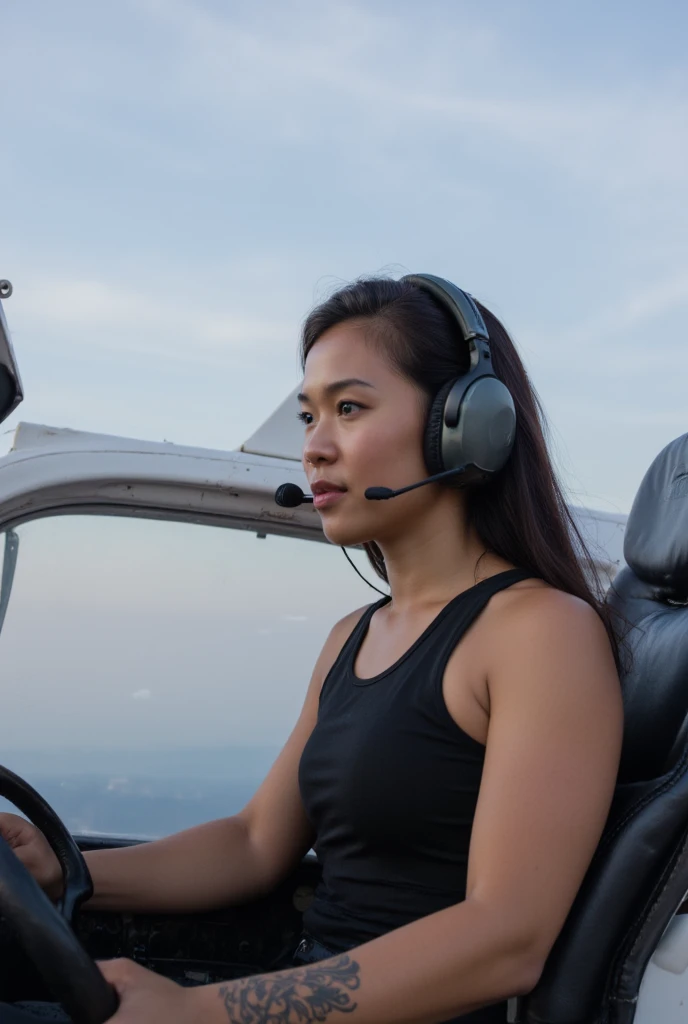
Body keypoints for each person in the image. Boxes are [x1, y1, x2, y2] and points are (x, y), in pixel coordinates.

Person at [0, 275, 623, 1024]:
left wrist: (207, 1014)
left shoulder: (539, 633)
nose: (315, 448)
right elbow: (254, 843)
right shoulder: (353, 637)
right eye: (309, 416)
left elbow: (505, 936)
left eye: (349, 409)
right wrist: (59, 865)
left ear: (464, 425)